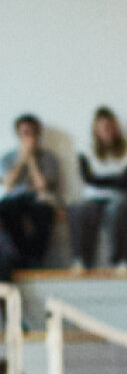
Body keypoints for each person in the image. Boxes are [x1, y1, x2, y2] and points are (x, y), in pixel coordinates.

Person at [73, 108, 127, 270]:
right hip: (92, 197)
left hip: (119, 197)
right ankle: (82, 260)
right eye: (103, 128)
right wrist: (115, 179)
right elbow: (87, 178)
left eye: (110, 127)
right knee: (79, 210)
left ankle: (121, 260)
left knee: (117, 210)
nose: (107, 131)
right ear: (96, 130)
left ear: (116, 128)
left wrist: (100, 179)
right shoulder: (85, 150)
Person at [0, 115, 63, 269]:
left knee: (43, 212)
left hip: (39, 198)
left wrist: (31, 159)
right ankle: (18, 258)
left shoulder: (48, 157)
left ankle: (36, 260)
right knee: (6, 209)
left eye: (32, 132)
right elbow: (8, 184)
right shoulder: (8, 157)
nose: (29, 137)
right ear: (18, 135)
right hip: (15, 199)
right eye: (25, 133)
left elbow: (42, 186)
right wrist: (22, 158)